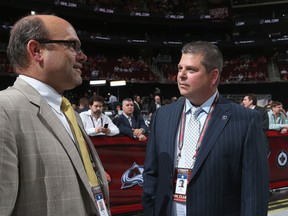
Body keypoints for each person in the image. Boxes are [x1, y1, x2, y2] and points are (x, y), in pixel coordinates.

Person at [142, 41, 269, 216]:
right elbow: (151, 174)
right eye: (180, 68)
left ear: (213, 76)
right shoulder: (162, 116)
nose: (181, 75)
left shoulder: (246, 120)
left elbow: (255, 191)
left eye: (191, 70)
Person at [0, 14, 110, 215]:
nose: (82, 56)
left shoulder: (70, 113)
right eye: (72, 46)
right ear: (37, 50)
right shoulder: (4, 110)